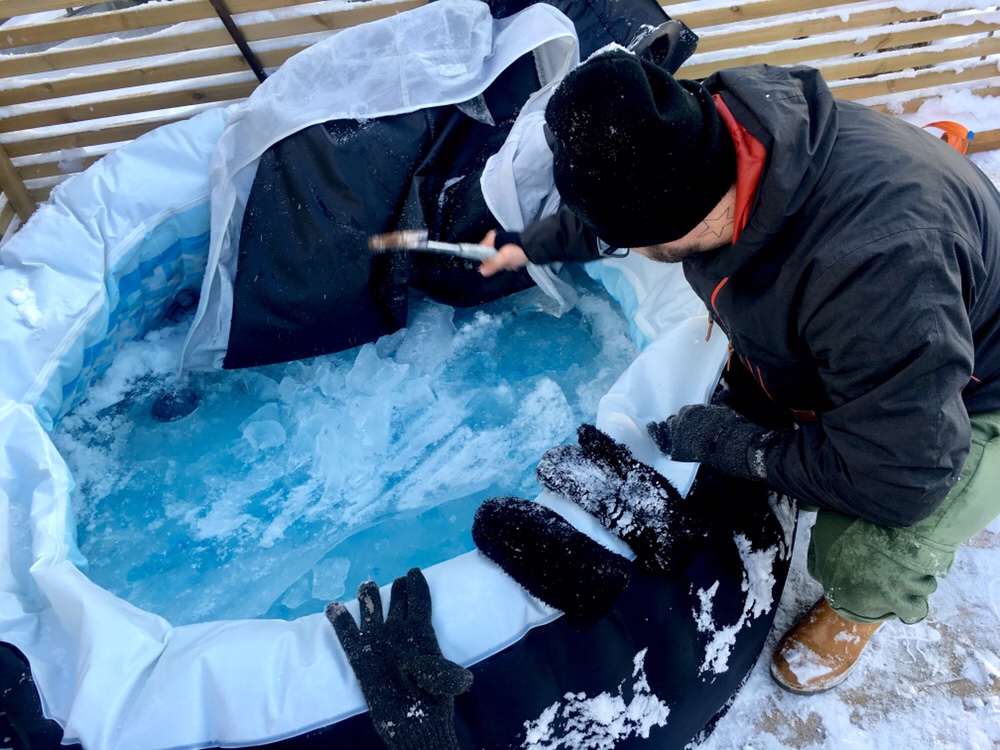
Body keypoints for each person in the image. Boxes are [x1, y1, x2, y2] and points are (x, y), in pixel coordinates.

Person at [478, 50, 1000, 694]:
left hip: (976, 392)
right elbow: (626, 203)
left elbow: (902, 479)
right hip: (899, 335)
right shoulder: (717, 132)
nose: (628, 250)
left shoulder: (875, 271)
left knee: (862, 547)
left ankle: (858, 607)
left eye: (632, 240)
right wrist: (531, 245)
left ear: (673, 215)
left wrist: (744, 450)